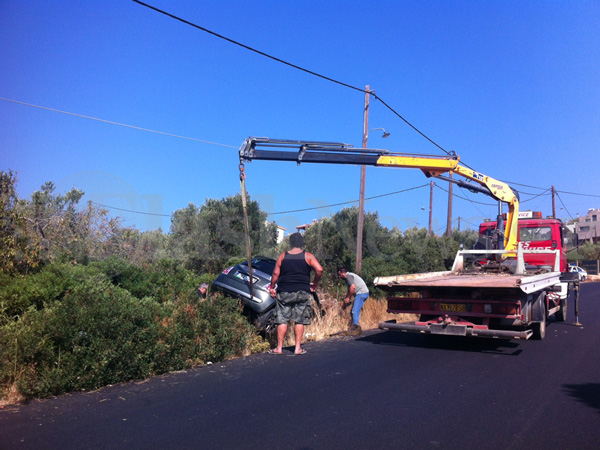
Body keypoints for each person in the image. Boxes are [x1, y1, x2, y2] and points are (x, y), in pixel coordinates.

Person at [268, 232, 323, 355]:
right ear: (302, 244)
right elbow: (319, 269)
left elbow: (276, 274)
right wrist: (314, 283)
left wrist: (272, 287)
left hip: (284, 291)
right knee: (300, 319)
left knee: (282, 319)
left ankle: (279, 348)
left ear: (291, 243)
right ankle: (297, 348)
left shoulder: (283, 256)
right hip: (302, 291)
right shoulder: (308, 256)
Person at [337, 267, 369, 335]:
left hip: (361, 293)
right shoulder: (350, 276)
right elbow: (350, 291)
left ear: (341, 273)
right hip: (362, 293)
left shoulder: (348, 276)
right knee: (353, 312)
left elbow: (353, 287)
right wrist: (346, 300)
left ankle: (355, 329)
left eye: (339, 275)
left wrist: (348, 297)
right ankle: (353, 326)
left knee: (354, 311)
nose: (339, 276)